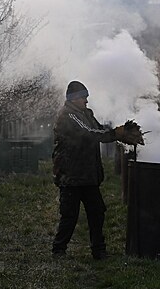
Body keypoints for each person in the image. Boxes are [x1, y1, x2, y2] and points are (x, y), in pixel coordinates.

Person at [51, 80, 143, 260]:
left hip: (87, 174)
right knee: (70, 215)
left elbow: (98, 129)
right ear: (74, 98)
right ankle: (58, 250)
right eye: (83, 97)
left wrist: (116, 130)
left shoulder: (85, 113)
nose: (86, 100)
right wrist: (115, 134)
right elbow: (89, 133)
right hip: (71, 174)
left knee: (97, 212)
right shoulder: (68, 116)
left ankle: (98, 251)